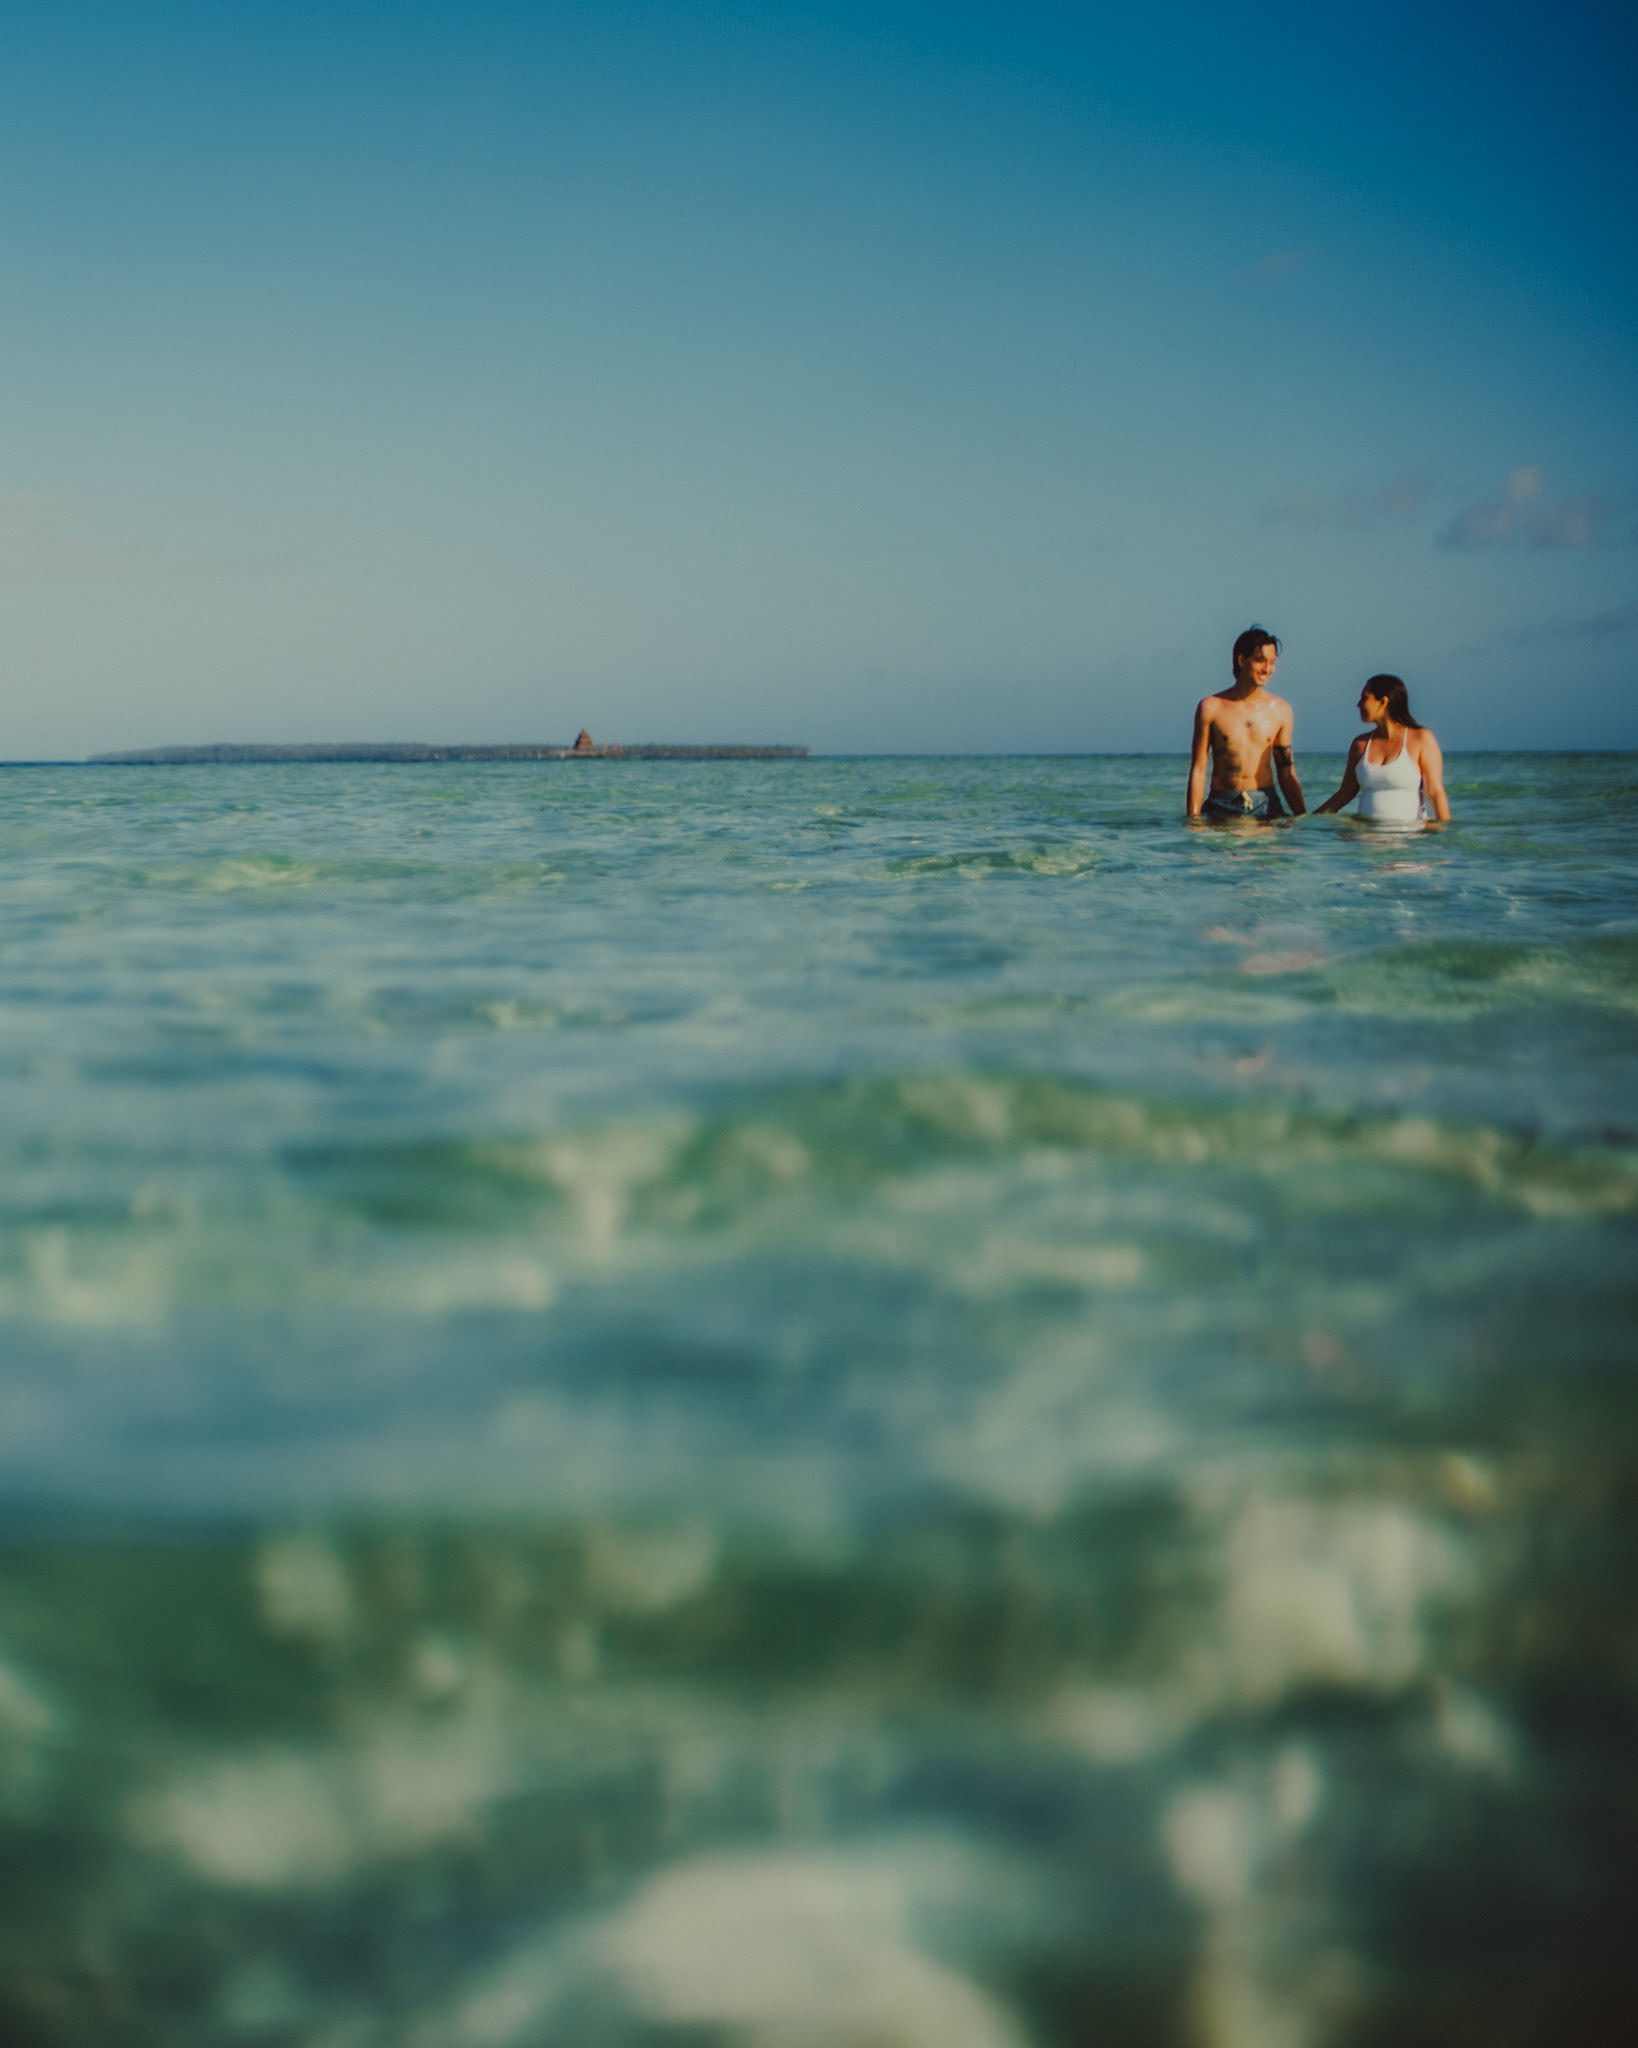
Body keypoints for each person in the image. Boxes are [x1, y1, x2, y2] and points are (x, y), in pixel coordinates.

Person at [1186, 626, 1306, 821]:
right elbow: (1199, 769)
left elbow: (1286, 773)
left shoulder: (1281, 710)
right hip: (1221, 803)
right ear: (1242, 660)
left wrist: (1302, 819)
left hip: (1266, 804)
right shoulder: (1211, 708)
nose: (1267, 669)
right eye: (1260, 661)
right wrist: (1193, 817)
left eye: (1272, 662)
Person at [1314, 675, 1450, 824]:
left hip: (1408, 839)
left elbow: (1435, 792)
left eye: (1364, 698)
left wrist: (1446, 833)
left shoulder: (1421, 739)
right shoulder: (1360, 744)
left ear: (1383, 702)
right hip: (1365, 839)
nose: (1358, 704)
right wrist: (1307, 821)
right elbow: (1344, 794)